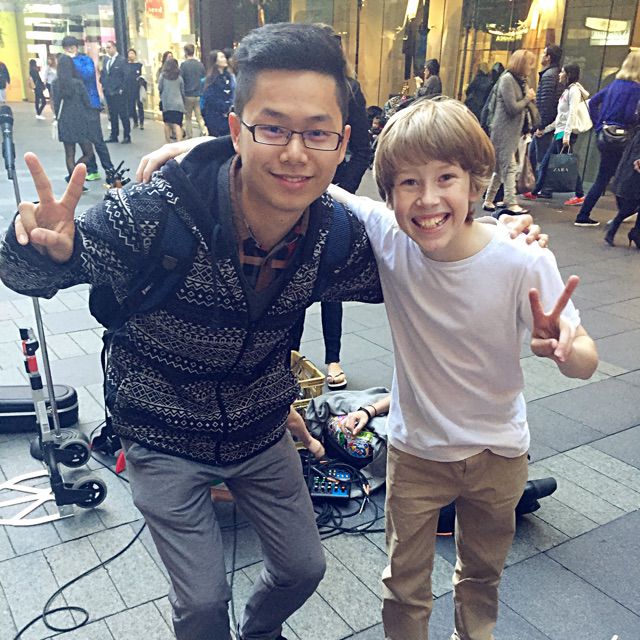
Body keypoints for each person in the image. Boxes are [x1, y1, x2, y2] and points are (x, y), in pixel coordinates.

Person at [4, 21, 542, 640]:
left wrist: (496, 240)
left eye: (316, 133)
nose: (294, 152)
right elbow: (33, 271)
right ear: (237, 130)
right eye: (273, 128)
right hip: (161, 431)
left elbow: (431, 263)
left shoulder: (334, 234)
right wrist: (40, 249)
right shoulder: (157, 212)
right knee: (202, 602)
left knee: (303, 569)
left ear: (342, 143)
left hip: (261, 427)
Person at [328, 97, 598, 640]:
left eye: (445, 177)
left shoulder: (522, 258)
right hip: (416, 452)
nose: (428, 199)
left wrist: (566, 348)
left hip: (499, 453)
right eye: (409, 182)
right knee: (403, 583)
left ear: (476, 184)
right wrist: (202, 147)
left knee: (481, 576)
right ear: (390, 195)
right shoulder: (391, 238)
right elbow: (317, 183)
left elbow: (585, 362)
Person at [291, 26, 371, 391]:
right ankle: (287, 358)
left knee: (331, 282)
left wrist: (338, 191)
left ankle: (333, 357)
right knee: (291, 282)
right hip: (295, 196)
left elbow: (363, 149)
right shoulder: (295, 85)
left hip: (333, 196)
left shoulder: (349, 89)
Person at [574, 51, 640, 228]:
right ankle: (622, 214)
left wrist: (598, 125)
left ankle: (584, 214)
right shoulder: (636, 89)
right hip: (622, 138)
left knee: (603, 177)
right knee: (621, 177)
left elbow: (593, 102)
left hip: (605, 136)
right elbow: (629, 114)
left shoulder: (614, 85)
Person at [524, 63, 588, 208]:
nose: (560, 74)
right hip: (560, 132)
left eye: (562, 72)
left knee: (565, 163)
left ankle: (579, 194)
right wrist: (546, 130)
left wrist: (566, 135)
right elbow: (561, 118)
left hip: (564, 134)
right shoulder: (567, 91)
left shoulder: (574, 91)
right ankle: (536, 191)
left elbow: (571, 114)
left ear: (568, 75)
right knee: (548, 162)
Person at [483, 49, 537, 215]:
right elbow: (512, 107)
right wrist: (527, 98)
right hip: (503, 131)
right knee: (509, 167)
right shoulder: (507, 80)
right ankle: (511, 202)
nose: (531, 68)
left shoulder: (521, 81)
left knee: (501, 169)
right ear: (521, 64)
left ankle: (489, 200)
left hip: (513, 131)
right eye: (529, 64)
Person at [61, 36, 116, 184]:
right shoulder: (65, 62)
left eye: (72, 47)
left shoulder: (85, 60)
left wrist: (71, 62)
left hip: (91, 105)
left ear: (76, 47)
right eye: (67, 48)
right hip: (76, 108)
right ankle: (92, 169)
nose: (69, 50)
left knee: (97, 139)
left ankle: (110, 170)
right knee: (84, 140)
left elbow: (87, 74)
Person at [51, 54, 95, 193]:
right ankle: (75, 175)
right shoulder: (78, 83)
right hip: (80, 121)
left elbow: (55, 104)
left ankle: (73, 178)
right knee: (88, 153)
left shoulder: (55, 84)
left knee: (69, 153)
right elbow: (87, 102)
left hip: (64, 121)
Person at [528, 44, 563, 178]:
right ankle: (536, 184)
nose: (541, 56)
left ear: (548, 57)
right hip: (549, 123)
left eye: (544, 53)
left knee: (540, 159)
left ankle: (541, 185)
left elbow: (546, 103)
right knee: (534, 155)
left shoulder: (549, 75)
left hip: (546, 125)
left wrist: (541, 126)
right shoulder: (554, 73)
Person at [605, 124, 640, 248]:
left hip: (631, 172)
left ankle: (633, 233)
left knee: (631, 206)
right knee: (631, 206)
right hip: (635, 174)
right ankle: (632, 233)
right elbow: (636, 151)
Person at [101, 40, 131, 144]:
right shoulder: (106, 60)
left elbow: (126, 76)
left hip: (119, 92)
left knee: (123, 114)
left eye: (109, 47)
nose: (107, 49)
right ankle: (114, 135)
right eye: (106, 48)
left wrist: (121, 89)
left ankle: (127, 135)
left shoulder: (122, 60)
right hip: (109, 92)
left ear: (114, 47)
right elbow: (104, 74)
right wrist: (104, 86)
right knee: (112, 115)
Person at [201, 49, 234, 137]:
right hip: (215, 116)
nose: (225, 59)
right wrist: (224, 106)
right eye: (221, 57)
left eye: (224, 57)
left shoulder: (228, 76)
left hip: (227, 117)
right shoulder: (211, 79)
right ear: (215, 61)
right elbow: (210, 97)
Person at [180, 43, 207, 138]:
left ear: (185, 52)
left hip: (188, 94)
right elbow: (203, 78)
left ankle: (189, 135)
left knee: (188, 117)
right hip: (199, 94)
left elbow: (181, 80)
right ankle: (203, 131)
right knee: (199, 116)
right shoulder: (200, 65)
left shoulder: (183, 65)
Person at [158, 57, 185, 143]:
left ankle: (168, 142)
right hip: (178, 104)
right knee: (177, 124)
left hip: (167, 103)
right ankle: (179, 142)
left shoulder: (162, 76)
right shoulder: (179, 78)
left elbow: (160, 88)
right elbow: (182, 91)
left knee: (167, 123)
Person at [125, 48, 145, 130]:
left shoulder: (139, 65)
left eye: (132, 53)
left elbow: (143, 76)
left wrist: (141, 82)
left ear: (135, 55)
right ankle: (135, 121)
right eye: (129, 53)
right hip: (129, 88)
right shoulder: (126, 65)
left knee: (140, 105)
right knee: (131, 106)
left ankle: (141, 122)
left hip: (138, 88)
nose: (131, 55)